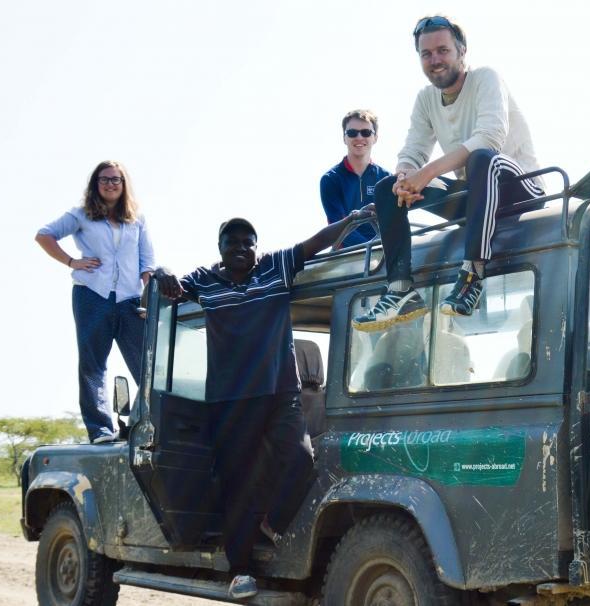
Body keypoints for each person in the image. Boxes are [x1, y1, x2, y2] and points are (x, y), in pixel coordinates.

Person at [153, 209, 369, 599]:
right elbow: (171, 288)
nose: (240, 247)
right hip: (229, 401)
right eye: (231, 242)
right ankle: (239, 571)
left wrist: (351, 219)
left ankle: (271, 522)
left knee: (301, 457)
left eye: (247, 242)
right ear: (220, 249)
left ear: (257, 248)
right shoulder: (205, 280)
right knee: (239, 484)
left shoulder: (274, 269)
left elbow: (315, 243)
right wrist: (162, 270)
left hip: (280, 392)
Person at [352, 15, 544, 332]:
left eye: (442, 50)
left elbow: (490, 137)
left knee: (483, 158)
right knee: (387, 187)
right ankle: (401, 289)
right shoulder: (426, 99)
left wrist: (425, 175)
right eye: (426, 54)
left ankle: (472, 273)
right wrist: (405, 179)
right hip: (476, 199)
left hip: (519, 189)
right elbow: (412, 151)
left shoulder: (485, 78)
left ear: (461, 51)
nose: (435, 60)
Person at [35, 161, 155, 444]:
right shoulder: (81, 215)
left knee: (146, 365)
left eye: (116, 179)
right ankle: (100, 429)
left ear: (124, 184)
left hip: (130, 300)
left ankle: (155, 423)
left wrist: (149, 297)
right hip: (91, 295)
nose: (110, 184)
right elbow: (44, 235)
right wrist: (71, 261)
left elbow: (147, 261)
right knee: (93, 364)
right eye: (104, 179)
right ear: (95, 184)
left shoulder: (136, 219)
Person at [319, 109, 391, 247]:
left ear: (375, 138)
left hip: (382, 254)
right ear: (344, 138)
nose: (359, 137)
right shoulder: (330, 180)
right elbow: (339, 228)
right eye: (352, 133)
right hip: (347, 256)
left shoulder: (386, 178)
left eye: (366, 132)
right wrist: (372, 248)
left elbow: (393, 223)